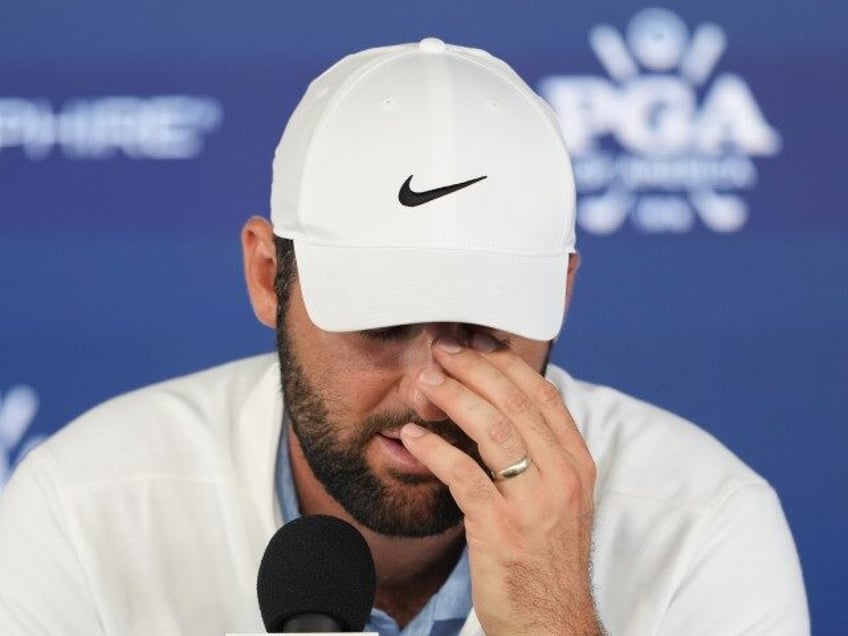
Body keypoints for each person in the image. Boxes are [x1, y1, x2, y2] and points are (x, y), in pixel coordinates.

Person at [0, 38, 808, 635]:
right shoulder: (82, 514)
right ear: (264, 277)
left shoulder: (704, 526)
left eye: (481, 330)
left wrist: (554, 618)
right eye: (380, 323)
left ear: (559, 294)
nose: (429, 386)